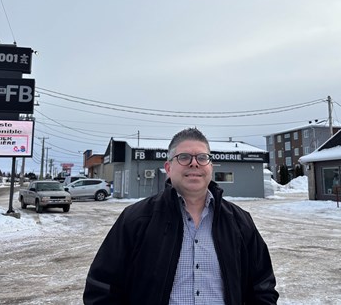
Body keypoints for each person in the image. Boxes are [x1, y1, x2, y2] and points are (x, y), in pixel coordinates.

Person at [83, 127, 278, 304]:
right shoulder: (136, 220)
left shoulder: (239, 222)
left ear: (210, 166)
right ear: (168, 168)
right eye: (184, 157)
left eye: (202, 158)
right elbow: (102, 288)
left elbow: (262, 287)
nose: (194, 164)